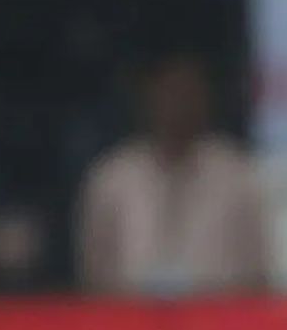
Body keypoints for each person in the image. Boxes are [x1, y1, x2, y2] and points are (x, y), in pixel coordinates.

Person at [75, 52, 270, 296]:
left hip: (218, 319)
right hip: (129, 320)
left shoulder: (237, 175)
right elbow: (94, 273)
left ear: (205, 99)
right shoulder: (113, 176)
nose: (179, 103)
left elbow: (257, 271)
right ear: (149, 98)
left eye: (188, 93)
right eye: (169, 93)